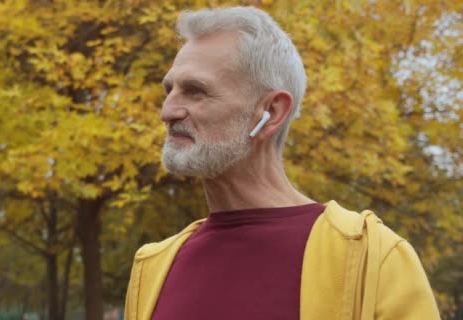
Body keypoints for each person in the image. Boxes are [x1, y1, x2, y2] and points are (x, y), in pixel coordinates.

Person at [123, 6, 440, 320]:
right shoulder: (152, 269)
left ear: (272, 112)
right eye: (170, 90)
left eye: (195, 92)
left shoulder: (373, 259)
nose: (168, 112)